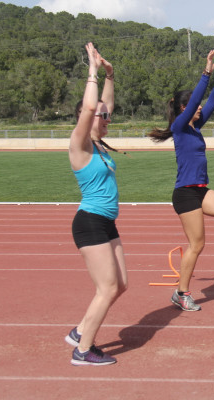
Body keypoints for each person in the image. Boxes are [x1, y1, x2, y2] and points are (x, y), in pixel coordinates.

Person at [148, 50, 214, 312]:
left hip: (201, 191)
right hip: (185, 194)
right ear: (185, 109)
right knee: (197, 245)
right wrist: (206, 72)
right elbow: (198, 100)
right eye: (195, 105)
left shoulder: (195, 127)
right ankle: (181, 293)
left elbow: (211, 102)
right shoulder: (180, 127)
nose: (201, 107)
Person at [65, 42, 128, 365]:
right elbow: (92, 107)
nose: (107, 119)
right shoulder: (80, 145)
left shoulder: (100, 144)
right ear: (85, 117)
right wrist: (91, 69)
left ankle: (80, 331)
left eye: (107, 116)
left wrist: (110, 75)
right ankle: (83, 350)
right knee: (106, 288)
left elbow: (104, 104)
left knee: (121, 285)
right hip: (89, 221)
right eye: (102, 116)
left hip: (106, 222)